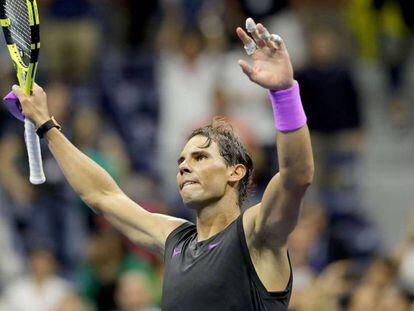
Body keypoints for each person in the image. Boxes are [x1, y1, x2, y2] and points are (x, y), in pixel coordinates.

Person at [12, 18, 314, 310]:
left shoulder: (255, 233)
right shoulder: (175, 238)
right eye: (181, 160)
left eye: (200, 157)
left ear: (235, 172)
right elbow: (102, 196)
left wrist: (284, 92)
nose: (184, 167)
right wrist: (46, 124)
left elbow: (296, 176)